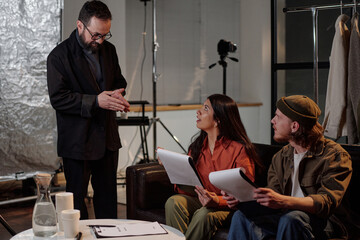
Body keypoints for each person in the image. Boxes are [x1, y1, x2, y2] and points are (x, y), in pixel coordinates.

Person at [225, 95, 354, 240]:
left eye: (278, 117)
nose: (272, 121)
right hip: (286, 216)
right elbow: (274, 194)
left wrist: (283, 200)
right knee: (241, 216)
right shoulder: (281, 156)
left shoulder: (335, 155)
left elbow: (326, 202)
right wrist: (243, 200)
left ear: (294, 126)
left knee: (291, 219)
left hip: (326, 222)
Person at [47, 0, 130, 219]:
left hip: (107, 140)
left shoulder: (108, 50)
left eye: (105, 35)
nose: (100, 41)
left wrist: (117, 95)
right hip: (77, 142)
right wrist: (96, 101)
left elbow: (119, 80)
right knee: (75, 205)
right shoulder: (58, 56)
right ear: (80, 25)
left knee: (108, 202)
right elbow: (58, 98)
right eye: (96, 35)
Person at [164, 94, 262, 240]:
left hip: (229, 208)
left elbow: (244, 195)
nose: (198, 112)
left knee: (204, 214)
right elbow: (188, 188)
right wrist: (171, 166)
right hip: (203, 200)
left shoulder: (239, 150)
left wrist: (217, 201)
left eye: (205, 108)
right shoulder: (196, 147)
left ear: (217, 120)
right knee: (174, 202)